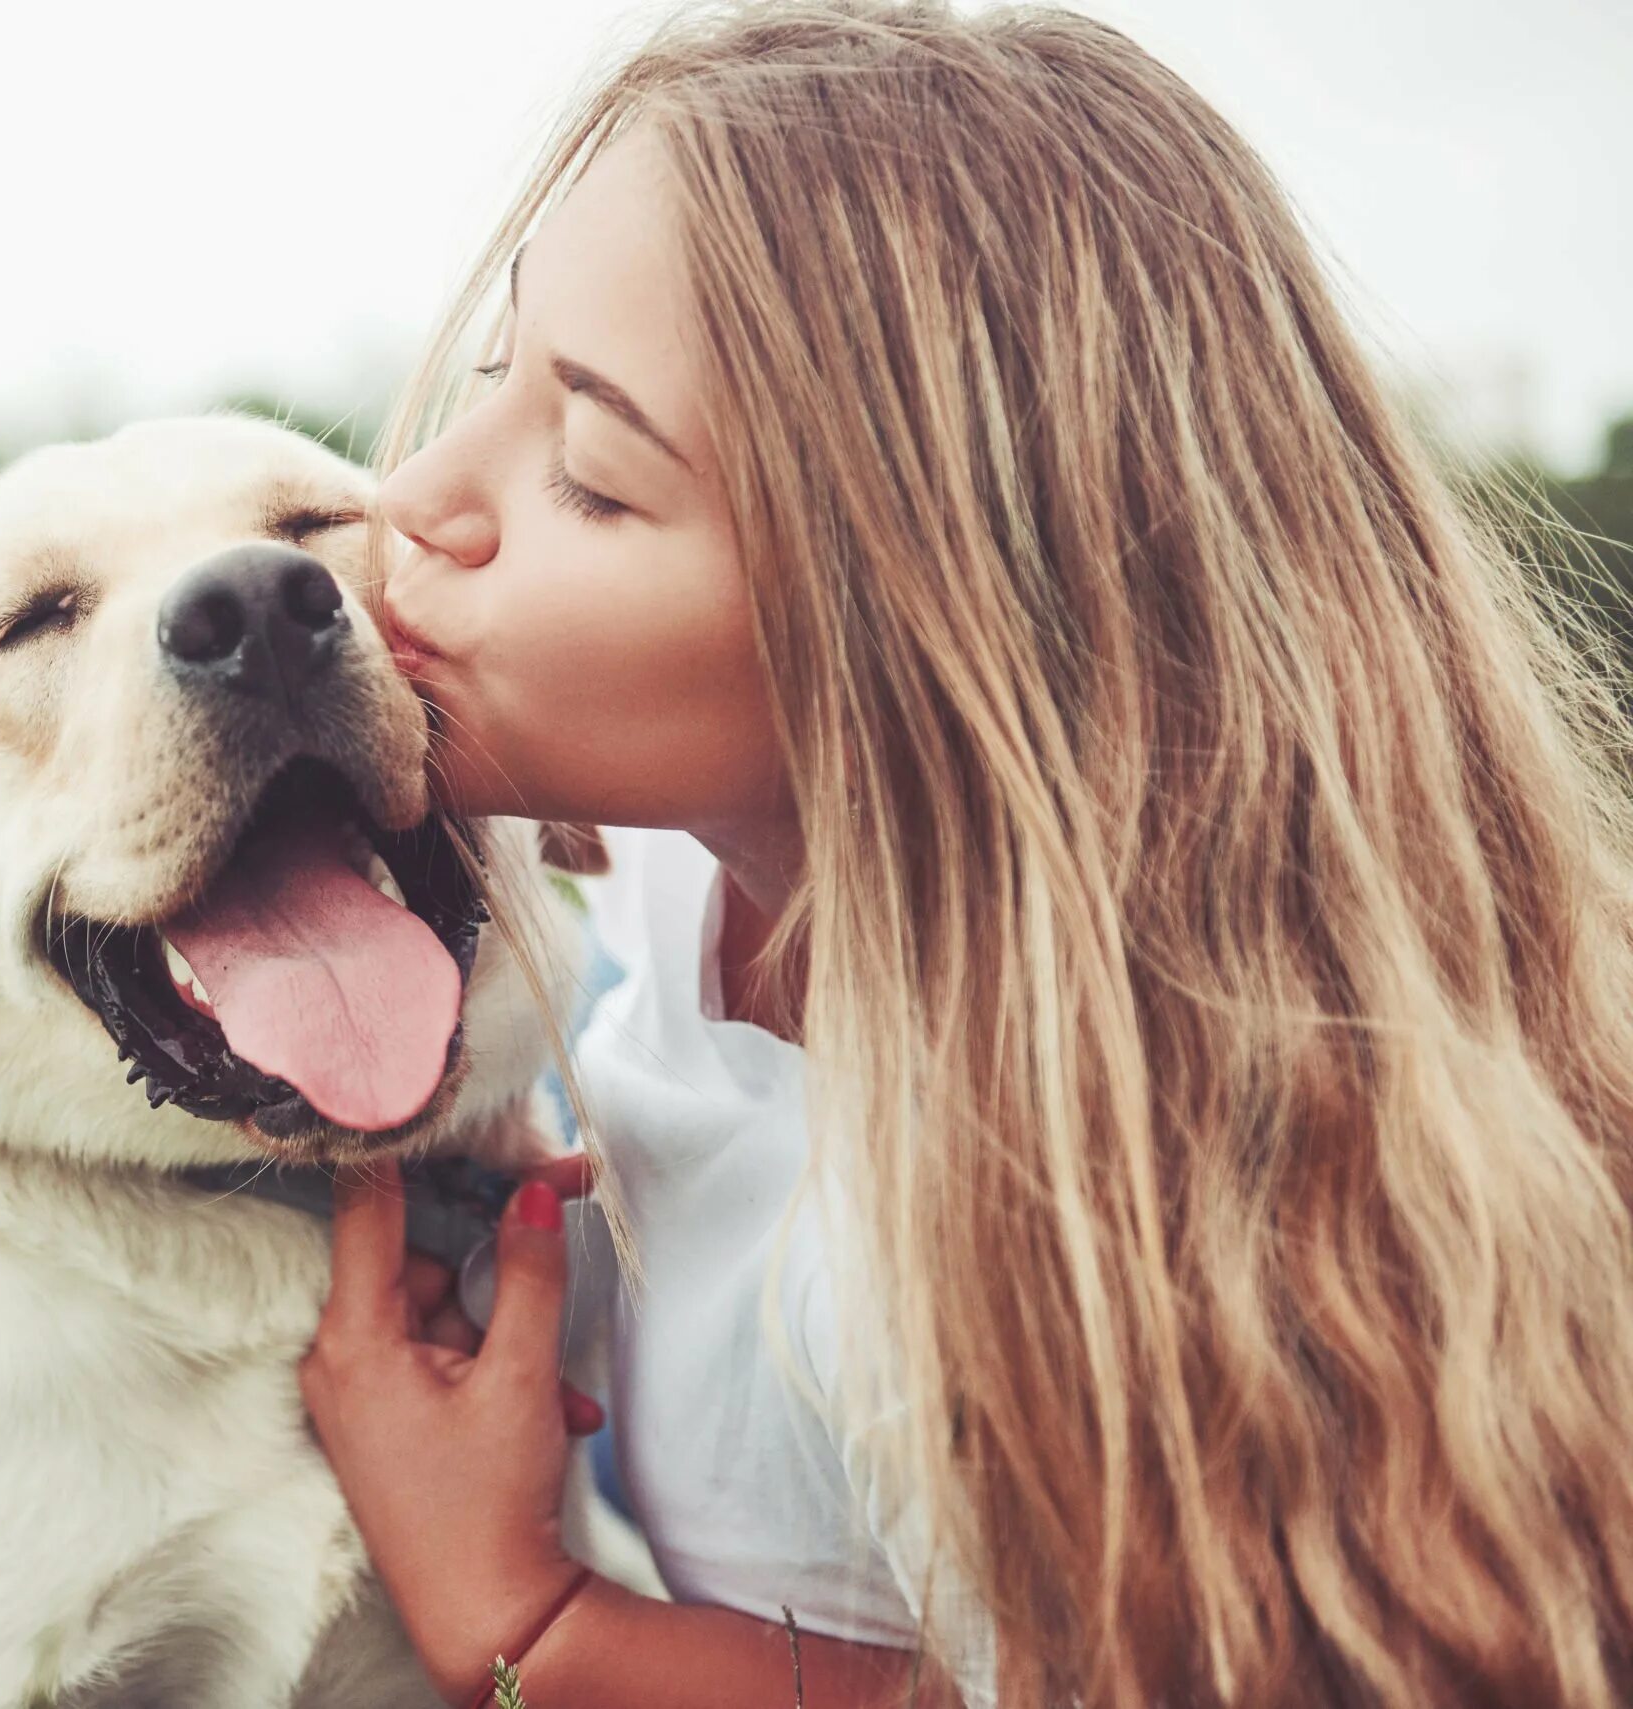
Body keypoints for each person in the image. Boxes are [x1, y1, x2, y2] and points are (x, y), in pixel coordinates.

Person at [291, 4, 1633, 1706]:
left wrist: (533, 1620)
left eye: (593, 478)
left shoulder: (1081, 1206)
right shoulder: (691, 865)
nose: (414, 498)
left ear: (915, 636)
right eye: (500, 371)